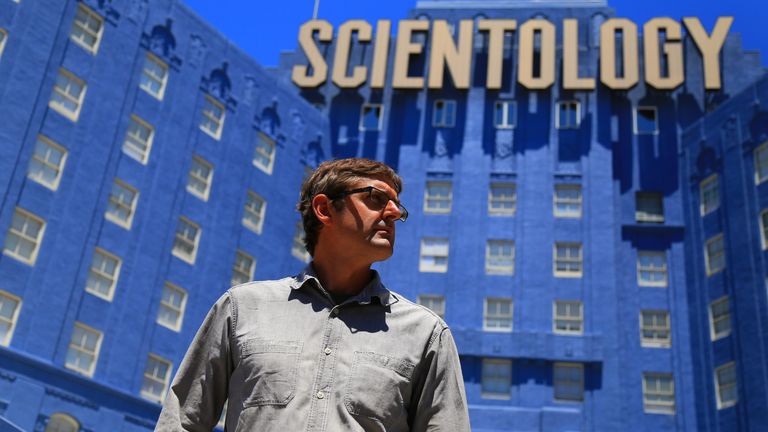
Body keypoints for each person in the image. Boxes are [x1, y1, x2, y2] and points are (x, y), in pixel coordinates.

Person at [156, 158, 470, 431]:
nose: (392, 212)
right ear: (324, 209)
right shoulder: (242, 308)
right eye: (375, 198)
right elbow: (183, 422)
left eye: (397, 206)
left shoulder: (426, 333)